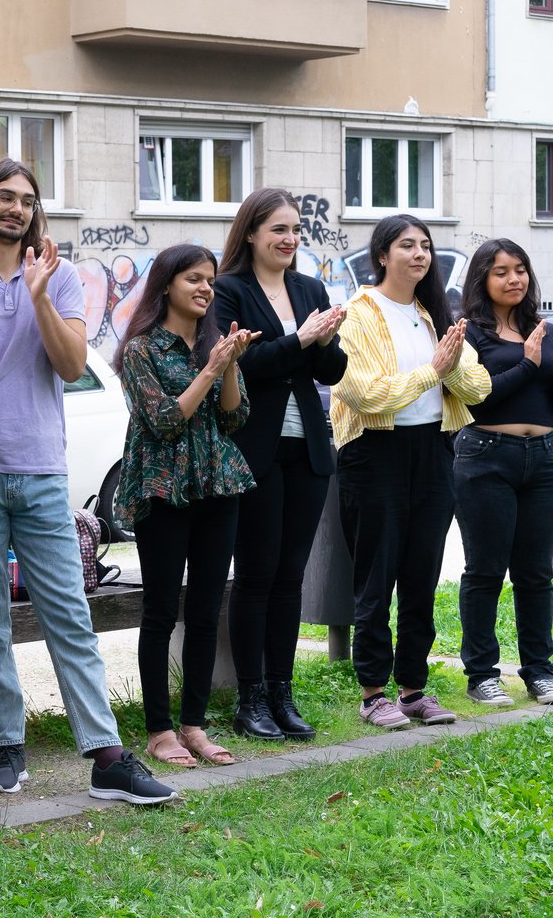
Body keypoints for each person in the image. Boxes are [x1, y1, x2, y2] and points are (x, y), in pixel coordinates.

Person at [0, 158, 176, 804]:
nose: (15, 208)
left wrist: (36, 296)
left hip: (40, 474)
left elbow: (68, 366)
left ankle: (108, 756)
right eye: (3, 197)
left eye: (27, 200)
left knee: (69, 614)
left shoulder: (60, 280)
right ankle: (7, 748)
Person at [331, 214, 491, 729]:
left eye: (425, 245)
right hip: (374, 454)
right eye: (407, 245)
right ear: (382, 255)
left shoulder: (434, 315)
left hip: (432, 452)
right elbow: (366, 392)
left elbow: (479, 388)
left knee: (421, 576)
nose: (420, 254)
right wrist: (434, 372)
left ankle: (414, 689)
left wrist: (449, 366)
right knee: (375, 576)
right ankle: (373, 692)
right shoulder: (358, 313)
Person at [114, 244, 256, 768]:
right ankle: (159, 731)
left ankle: (193, 725)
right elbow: (165, 422)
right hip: (164, 492)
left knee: (203, 611)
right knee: (159, 613)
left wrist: (231, 366)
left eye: (210, 281)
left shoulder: (215, 344)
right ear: (167, 284)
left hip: (219, 487)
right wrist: (211, 368)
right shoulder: (141, 350)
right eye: (193, 278)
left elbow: (235, 420)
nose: (205, 288)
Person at [213, 188, 347, 741]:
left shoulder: (309, 287)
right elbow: (241, 365)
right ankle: (251, 698)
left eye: (295, 230)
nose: (290, 239)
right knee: (258, 575)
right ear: (251, 233)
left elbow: (332, 372)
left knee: (290, 577)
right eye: (278, 230)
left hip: (308, 450)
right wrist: (301, 339)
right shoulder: (229, 291)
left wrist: (327, 341)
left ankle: (282, 694)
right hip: (255, 451)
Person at [452, 239, 553, 708]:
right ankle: (482, 674)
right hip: (486, 456)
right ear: (482, 280)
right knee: (486, 571)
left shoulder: (543, 329)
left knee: (536, 573)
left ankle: (539, 670)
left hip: (545, 459)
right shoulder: (470, 334)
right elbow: (479, 397)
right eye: (501, 272)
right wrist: (529, 364)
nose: (514, 279)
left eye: (520, 270)